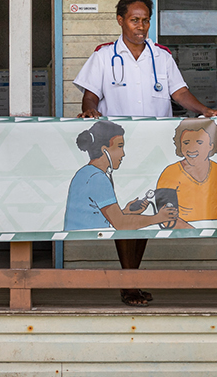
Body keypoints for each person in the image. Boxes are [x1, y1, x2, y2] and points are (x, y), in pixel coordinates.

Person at [63, 120, 177, 306]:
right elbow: (120, 224)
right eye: (120, 146)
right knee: (131, 227)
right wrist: (158, 218)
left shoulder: (92, 172)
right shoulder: (97, 177)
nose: (123, 153)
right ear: (104, 150)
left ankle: (131, 282)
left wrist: (126, 211)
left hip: (99, 225)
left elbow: (103, 214)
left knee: (136, 223)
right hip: (85, 230)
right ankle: (129, 284)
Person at [73, 0, 217, 120]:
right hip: (116, 137)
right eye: (134, 20)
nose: (141, 27)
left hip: (157, 138)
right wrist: (90, 110)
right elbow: (90, 96)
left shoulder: (162, 56)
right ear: (120, 20)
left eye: (145, 21)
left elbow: (180, 93)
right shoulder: (103, 56)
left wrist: (205, 110)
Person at [155, 118, 217, 226]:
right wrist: (193, 232)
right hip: (182, 234)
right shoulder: (169, 173)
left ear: (211, 145)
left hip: (215, 234)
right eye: (186, 142)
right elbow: (165, 217)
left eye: (199, 142)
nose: (192, 148)